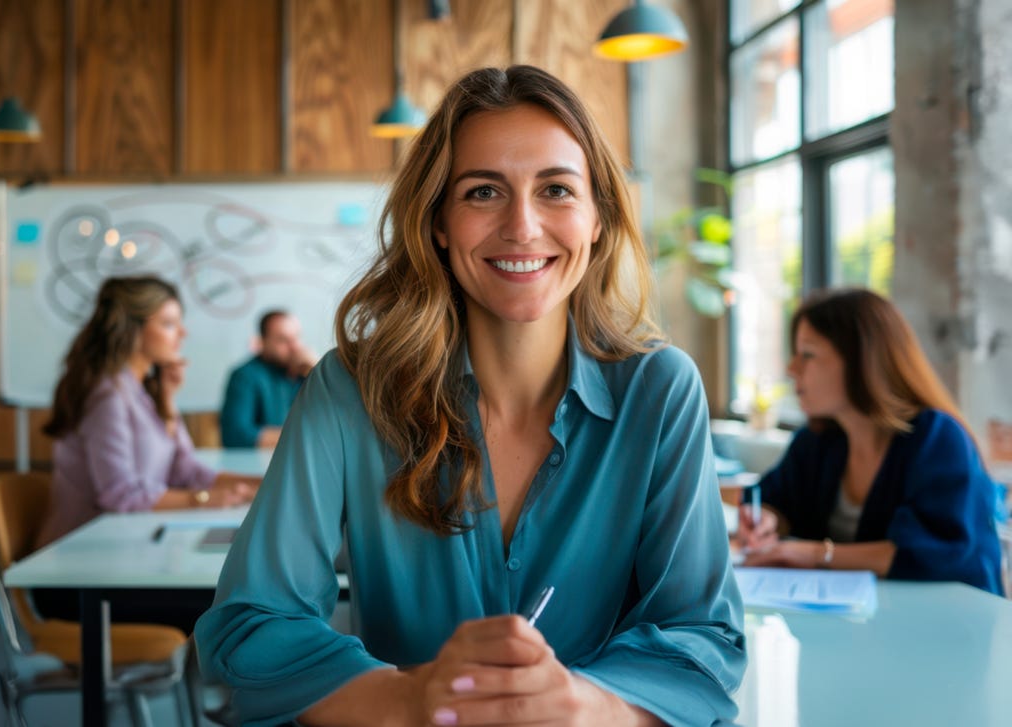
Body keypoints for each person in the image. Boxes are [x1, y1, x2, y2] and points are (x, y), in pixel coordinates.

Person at [196, 66, 744, 727]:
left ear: (597, 219)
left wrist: (581, 705)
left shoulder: (660, 393)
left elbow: (704, 637)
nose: (522, 226)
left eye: (556, 190)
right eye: (483, 191)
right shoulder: (349, 391)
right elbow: (247, 625)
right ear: (437, 224)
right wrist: (411, 696)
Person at [738, 288, 1004, 595]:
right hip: (866, 623)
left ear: (862, 362)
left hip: (955, 623)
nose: (791, 368)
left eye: (807, 355)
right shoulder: (818, 440)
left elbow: (933, 552)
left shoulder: (937, 437)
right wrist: (767, 520)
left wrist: (812, 553)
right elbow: (776, 500)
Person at [33, 276, 261, 628]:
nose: (181, 334)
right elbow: (119, 494)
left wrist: (257, 483)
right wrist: (204, 499)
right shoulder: (108, 395)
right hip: (80, 577)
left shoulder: (142, 389)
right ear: (133, 330)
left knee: (239, 593)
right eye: (169, 324)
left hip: (123, 558)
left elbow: (182, 468)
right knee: (235, 603)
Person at [219, 310, 316, 448]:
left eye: (297, 337)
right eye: (283, 340)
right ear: (262, 342)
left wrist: (317, 370)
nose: (295, 347)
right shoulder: (244, 376)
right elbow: (235, 435)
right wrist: (307, 435)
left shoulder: (308, 374)